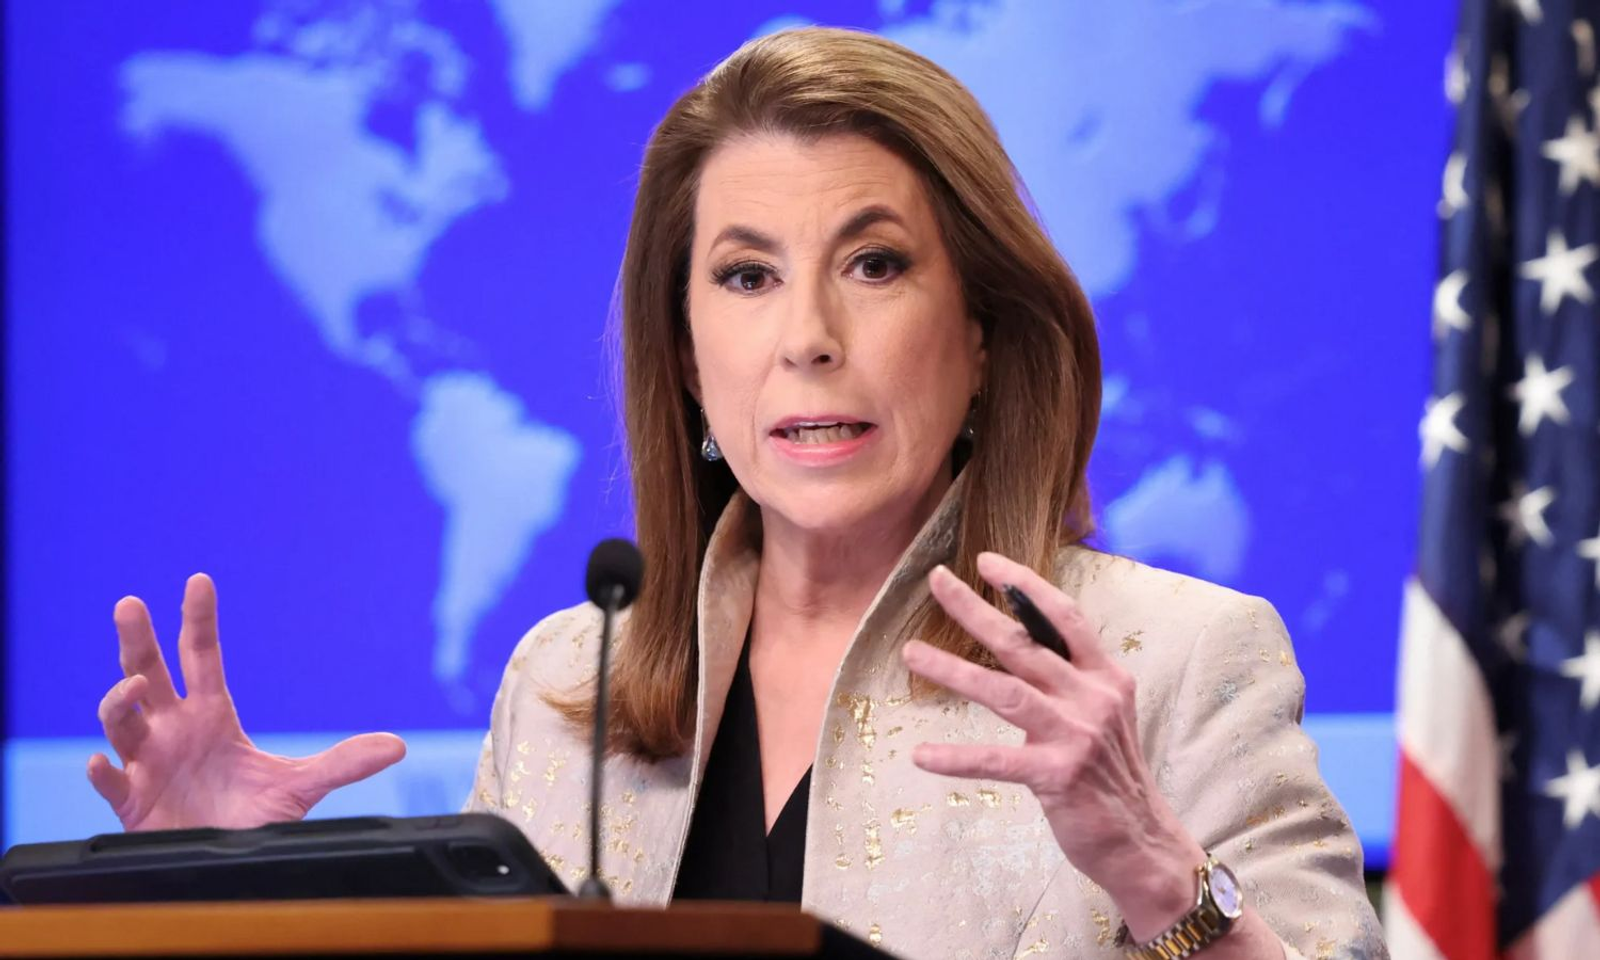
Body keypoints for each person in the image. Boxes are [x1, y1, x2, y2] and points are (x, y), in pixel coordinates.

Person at [87, 27, 1385, 960]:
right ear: (687, 355)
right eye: (748, 277)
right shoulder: (569, 690)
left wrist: (1162, 879)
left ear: (984, 334)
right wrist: (214, 897)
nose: (807, 337)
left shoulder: (1179, 661)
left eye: (874, 265)